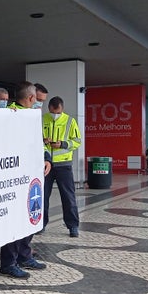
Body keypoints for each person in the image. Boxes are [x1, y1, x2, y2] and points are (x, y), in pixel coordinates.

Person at [0, 82, 52, 279]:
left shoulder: (31, 117)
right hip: (17, 178)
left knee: (30, 216)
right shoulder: (13, 115)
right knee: (16, 221)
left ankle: (24, 255)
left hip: (32, 176)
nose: (40, 105)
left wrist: (47, 159)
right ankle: (9, 262)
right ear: (31, 98)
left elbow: (38, 143)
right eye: (39, 100)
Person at [42, 96, 82, 238]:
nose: (55, 115)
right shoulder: (42, 119)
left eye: (58, 112)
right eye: (53, 112)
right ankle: (41, 224)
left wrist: (63, 144)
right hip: (46, 164)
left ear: (62, 109)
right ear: (49, 109)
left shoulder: (70, 121)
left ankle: (73, 226)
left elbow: (77, 141)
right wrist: (43, 140)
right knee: (43, 197)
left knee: (68, 196)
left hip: (64, 164)